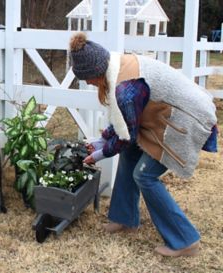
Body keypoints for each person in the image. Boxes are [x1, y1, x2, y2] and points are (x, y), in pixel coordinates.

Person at [69, 32, 218, 257]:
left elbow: (126, 135)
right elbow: (125, 121)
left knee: (144, 175)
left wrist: (98, 155)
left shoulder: (126, 88)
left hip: (186, 119)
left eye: (87, 78)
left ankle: (185, 240)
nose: (88, 82)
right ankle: (125, 219)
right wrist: (100, 140)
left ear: (96, 72)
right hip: (166, 115)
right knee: (130, 155)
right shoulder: (116, 67)